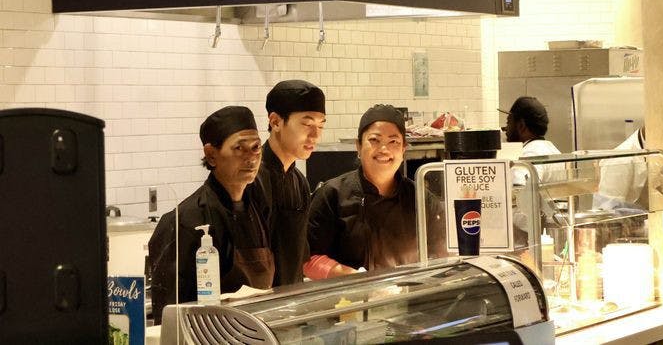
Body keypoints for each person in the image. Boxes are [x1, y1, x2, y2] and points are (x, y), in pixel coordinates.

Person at [148, 106, 274, 323]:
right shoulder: (184, 222)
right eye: (239, 148)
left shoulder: (257, 210)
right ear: (211, 155)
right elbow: (170, 315)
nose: (251, 158)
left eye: (255, 147)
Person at [304, 104, 444, 278]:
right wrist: (354, 278)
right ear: (358, 146)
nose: (384, 149)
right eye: (374, 140)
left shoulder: (421, 198)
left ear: (403, 149)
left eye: (393, 141)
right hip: (349, 294)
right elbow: (308, 259)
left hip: (408, 292)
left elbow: (442, 253)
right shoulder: (331, 194)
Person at [254, 79, 326, 286]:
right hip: (258, 301)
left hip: (291, 299)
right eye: (307, 124)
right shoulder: (251, 180)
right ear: (275, 122)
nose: (315, 135)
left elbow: (300, 259)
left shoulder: (299, 182)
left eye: (321, 125)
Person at [502, 96, 565, 236]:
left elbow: (524, 211)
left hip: (535, 237)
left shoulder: (528, 156)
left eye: (508, 122)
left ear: (521, 125)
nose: (505, 129)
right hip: (553, 232)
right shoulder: (553, 150)